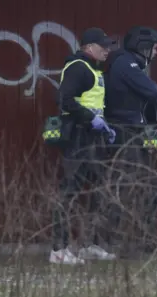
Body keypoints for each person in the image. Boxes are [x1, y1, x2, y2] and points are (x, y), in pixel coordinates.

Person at [103, 26, 157, 253]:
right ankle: (115, 241)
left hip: (137, 132)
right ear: (143, 46)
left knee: (149, 186)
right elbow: (151, 91)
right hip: (124, 133)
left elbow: (142, 105)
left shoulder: (131, 66)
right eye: (154, 48)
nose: (156, 53)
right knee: (129, 185)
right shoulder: (125, 64)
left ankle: (147, 239)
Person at [49, 27, 118, 264]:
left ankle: (91, 244)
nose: (107, 50)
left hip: (93, 138)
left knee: (99, 191)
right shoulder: (78, 67)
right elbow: (64, 100)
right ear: (89, 47)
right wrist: (91, 119)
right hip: (78, 137)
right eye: (103, 46)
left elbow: (92, 103)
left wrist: (104, 126)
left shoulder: (93, 69)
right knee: (69, 193)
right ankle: (59, 250)